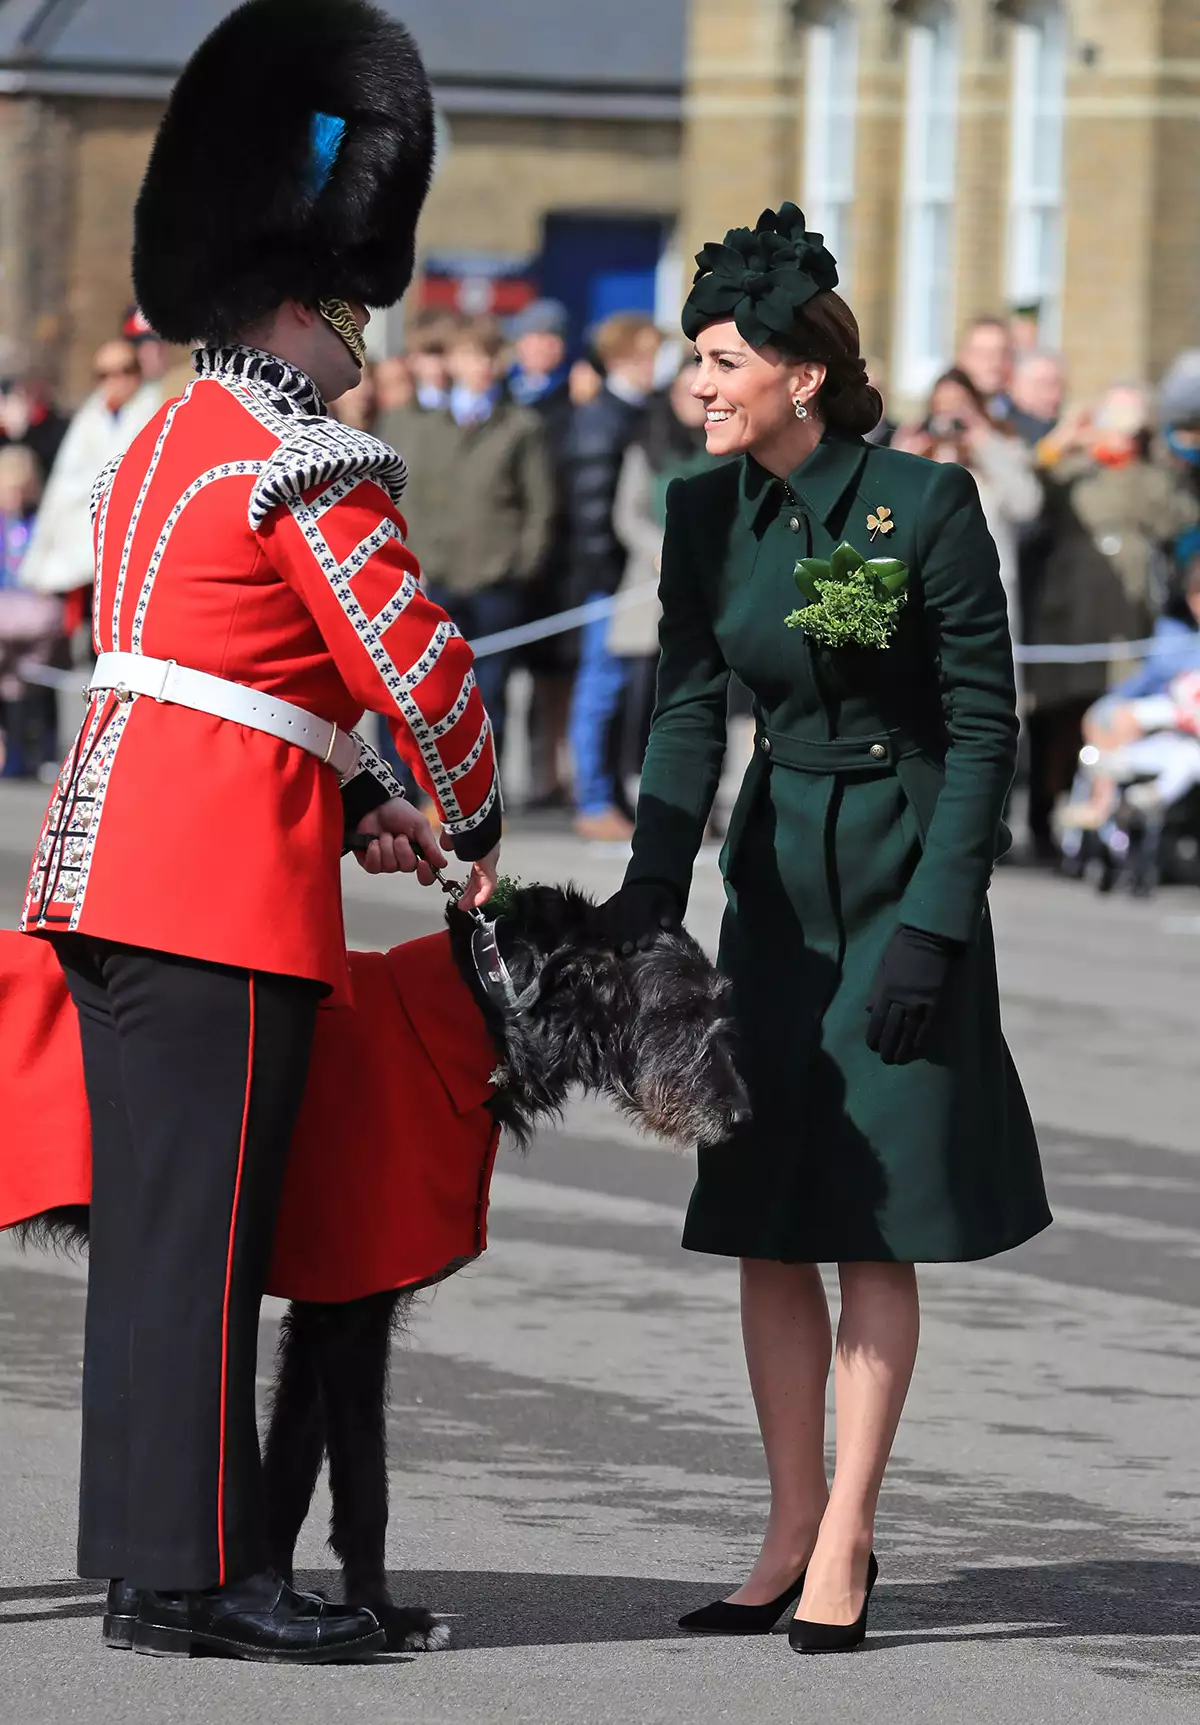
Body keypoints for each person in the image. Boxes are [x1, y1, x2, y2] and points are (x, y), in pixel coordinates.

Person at [20, 0, 501, 1665]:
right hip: (221, 889)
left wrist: (352, 795)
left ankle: (158, 1560)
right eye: (355, 308)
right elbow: (411, 665)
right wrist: (461, 796)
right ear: (305, 300)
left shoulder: (166, 442)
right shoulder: (308, 455)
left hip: (117, 856)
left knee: (159, 1247)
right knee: (216, 1243)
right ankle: (213, 1572)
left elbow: (212, 660)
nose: (364, 339)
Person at [598, 203, 1049, 1651]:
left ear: (803, 371)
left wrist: (936, 926)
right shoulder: (694, 510)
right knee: (768, 1215)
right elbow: (684, 711)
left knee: (872, 1220)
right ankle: (786, 1524)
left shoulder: (923, 505)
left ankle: (849, 1530)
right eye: (694, 362)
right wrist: (652, 897)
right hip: (776, 883)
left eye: (724, 360)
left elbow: (986, 731)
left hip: (904, 872)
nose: (701, 385)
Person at [1024, 383, 1198, 858]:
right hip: (1068, 612)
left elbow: (1177, 518)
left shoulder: (1150, 477)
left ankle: (1109, 824)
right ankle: (1046, 818)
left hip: (1126, 617)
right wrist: (1065, 440)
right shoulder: (1076, 471)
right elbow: (1034, 483)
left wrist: (1159, 461)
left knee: (1113, 711)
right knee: (1058, 719)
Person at [400, 315, 555, 767]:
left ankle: (488, 798)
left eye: (488, 355)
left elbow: (539, 504)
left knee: (491, 699)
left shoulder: (520, 426)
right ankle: (435, 797)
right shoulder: (427, 426)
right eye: (469, 355)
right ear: (452, 362)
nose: (480, 365)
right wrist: (419, 560)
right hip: (439, 578)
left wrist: (520, 565)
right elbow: (414, 499)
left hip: (496, 578)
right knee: (435, 696)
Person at [564, 310, 662, 839]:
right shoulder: (605, 415)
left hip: (622, 575)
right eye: (649, 354)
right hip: (608, 577)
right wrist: (611, 566)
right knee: (600, 687)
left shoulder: (634, 410)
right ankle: (594, 798)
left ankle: (608, 795)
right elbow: (592, 505)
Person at [609, 361, 719, 792]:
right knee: (643, 690)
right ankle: (639, 780)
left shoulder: (724, 447)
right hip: (651, 584)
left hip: (711, 586)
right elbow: (628, 514)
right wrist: (661, 549)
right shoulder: (647, 448)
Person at [893, 368, 1042, 654]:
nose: (949, 419)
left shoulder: (999, 447)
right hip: (926, 595)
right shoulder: (919, 453)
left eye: (958, 407)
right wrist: (904, 457)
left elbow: (1028, 505)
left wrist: (983, 439)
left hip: (987, 596)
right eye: (941, 408)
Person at [18, 338, 159, 606]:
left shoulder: (156, 407)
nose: (115, 380)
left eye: (125, 370)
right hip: (85, 539)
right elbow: (65, 484)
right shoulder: (89, 417)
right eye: (104, 374)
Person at [0, 444, 61, 777]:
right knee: (9, 684)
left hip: (33, 613)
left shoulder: (40, 520)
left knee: (33, 680)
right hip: (6, 608)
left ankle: (36, 749)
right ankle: (11, 751)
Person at [955, 314, 1013, 421]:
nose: (996, 362)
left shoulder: (1028, 425)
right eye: (984, 354)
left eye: (1003, 353)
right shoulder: (944, 418)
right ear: (963, 357)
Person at [1009, 349, 1066, 447]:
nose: (1053, 395)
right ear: (1017, 386)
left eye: (1059, 386)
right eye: (1042, 385)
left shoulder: (1057, 424)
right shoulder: (1003, 428)